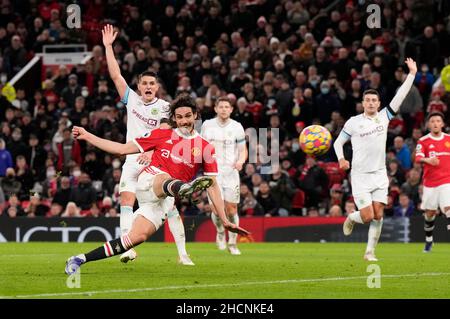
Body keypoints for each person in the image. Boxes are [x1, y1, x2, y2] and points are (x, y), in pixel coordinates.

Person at [65, 94, 249, 275]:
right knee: (165, 178)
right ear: (174, 119)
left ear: (195, 115)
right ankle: (184, 189)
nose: (183, 121)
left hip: (161, 200)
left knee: (135, 239)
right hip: (150, 180)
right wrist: (87, 135)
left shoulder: (206, 147)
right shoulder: (162, 134)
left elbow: (212, 184)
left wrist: (224, 220)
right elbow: (121, 149)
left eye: (187, 116)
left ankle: (79, 259)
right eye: (179, 117)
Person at [102, 24, 191, 265]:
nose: (149, 87)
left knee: (170, 207)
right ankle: (128, 248)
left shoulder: (164, 107)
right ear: (139, 87)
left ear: (157, 88)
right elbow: (115, 76)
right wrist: (108, 47)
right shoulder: (131, 100)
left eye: (152, 84)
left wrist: (150, 152)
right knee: (126, 200)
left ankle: (183, 255)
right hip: (133, 158)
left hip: (157, 160)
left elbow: (163, 131)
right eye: (144, 84)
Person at [333, 58, 417, 261]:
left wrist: (412, 74)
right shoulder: (353, 123)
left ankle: (369, 252)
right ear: (363, 103)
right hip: (360, 176)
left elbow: (401, 95)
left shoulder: (384, 117)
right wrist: (341, 159)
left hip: (380, 174)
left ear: (378, 104)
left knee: (379, 214)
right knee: (368, 216)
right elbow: (337, 143)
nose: (371, 103)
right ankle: (352, 217)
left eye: (374, 100)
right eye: (367, 100)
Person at [200, 96, 248, 255]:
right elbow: (200, 146)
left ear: (231, 109)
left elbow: (243, 150)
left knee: (232, 210)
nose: (224, 109)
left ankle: (233, 243)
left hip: (230, 173)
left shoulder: (237, 127)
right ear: (215, 108)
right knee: (216, 209)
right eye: (221, 107)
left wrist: (240, 161)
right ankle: (220, 233)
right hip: (212, 173)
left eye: (227, 107)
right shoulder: (207, 125)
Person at [414, 112, 450, 252]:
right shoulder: (423, 141)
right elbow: (418, 158)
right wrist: (428, 160)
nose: (435, 123)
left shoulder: (448, 139)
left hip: (447, 180)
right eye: (433, 121)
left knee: (448, 209)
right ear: (429, 125)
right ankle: (429, 240)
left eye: (438, 121)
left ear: (442, 124)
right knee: (430, 214)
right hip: (430, 183)